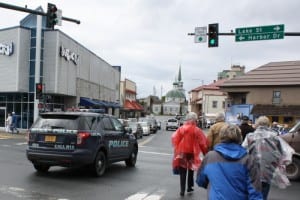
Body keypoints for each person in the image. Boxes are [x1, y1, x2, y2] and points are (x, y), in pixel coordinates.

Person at [196, 124, 263, 199]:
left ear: (221, 137)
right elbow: (255, 191)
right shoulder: (248, 160)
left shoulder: (210, 157)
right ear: (240, 138)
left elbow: (200, 181)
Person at [242, 116, 287, 200]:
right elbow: (281, 152)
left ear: (257, 124)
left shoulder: (250, 136)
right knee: (265, 189)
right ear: (268, 124)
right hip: (268, 168)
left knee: (253, 190)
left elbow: (243, 150)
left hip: (253, 168)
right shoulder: (274, 136)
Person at [171, 112, 208, 197]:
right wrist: (205, 153)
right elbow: (203, 143)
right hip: (191, 152)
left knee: (183, 171)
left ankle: (182, 190)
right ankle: (189, 187)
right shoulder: (197, 130)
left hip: (181, 152)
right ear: (195, 120)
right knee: (191, 169)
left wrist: (177, 149)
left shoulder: (181, 129)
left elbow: (174, 138)